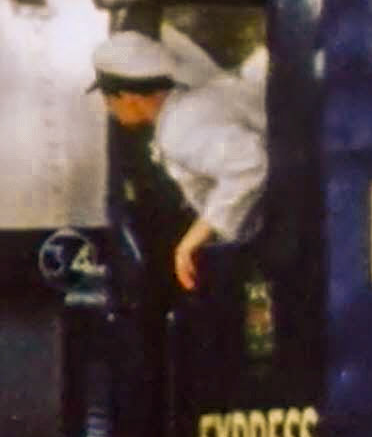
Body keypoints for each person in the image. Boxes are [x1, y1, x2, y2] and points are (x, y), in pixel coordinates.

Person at [90, 28, 267, 291]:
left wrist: (194, 238)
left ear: (129, 98)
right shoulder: (189, 106)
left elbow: (251, 165)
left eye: (108, 99)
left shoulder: (179, 129)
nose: (108, 109)